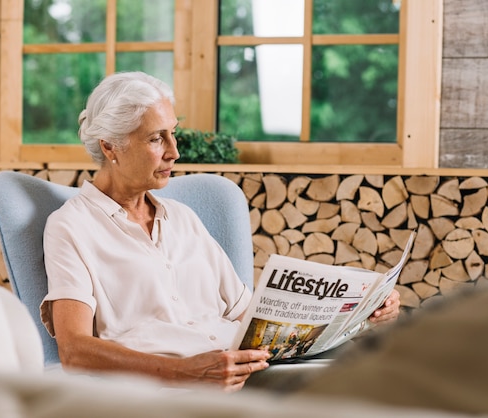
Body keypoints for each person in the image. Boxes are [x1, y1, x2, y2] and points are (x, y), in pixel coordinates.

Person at [39, 71, 400, 392]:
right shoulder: (71, 227)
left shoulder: (183, 219)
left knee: (378, 376)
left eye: (173, 134)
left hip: (251, 372)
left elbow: (248, 315)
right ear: (109, 146)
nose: (175, 152)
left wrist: (355, 315)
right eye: (156, 139)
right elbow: (75, 351)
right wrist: (183, 373)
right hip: (174, 391)